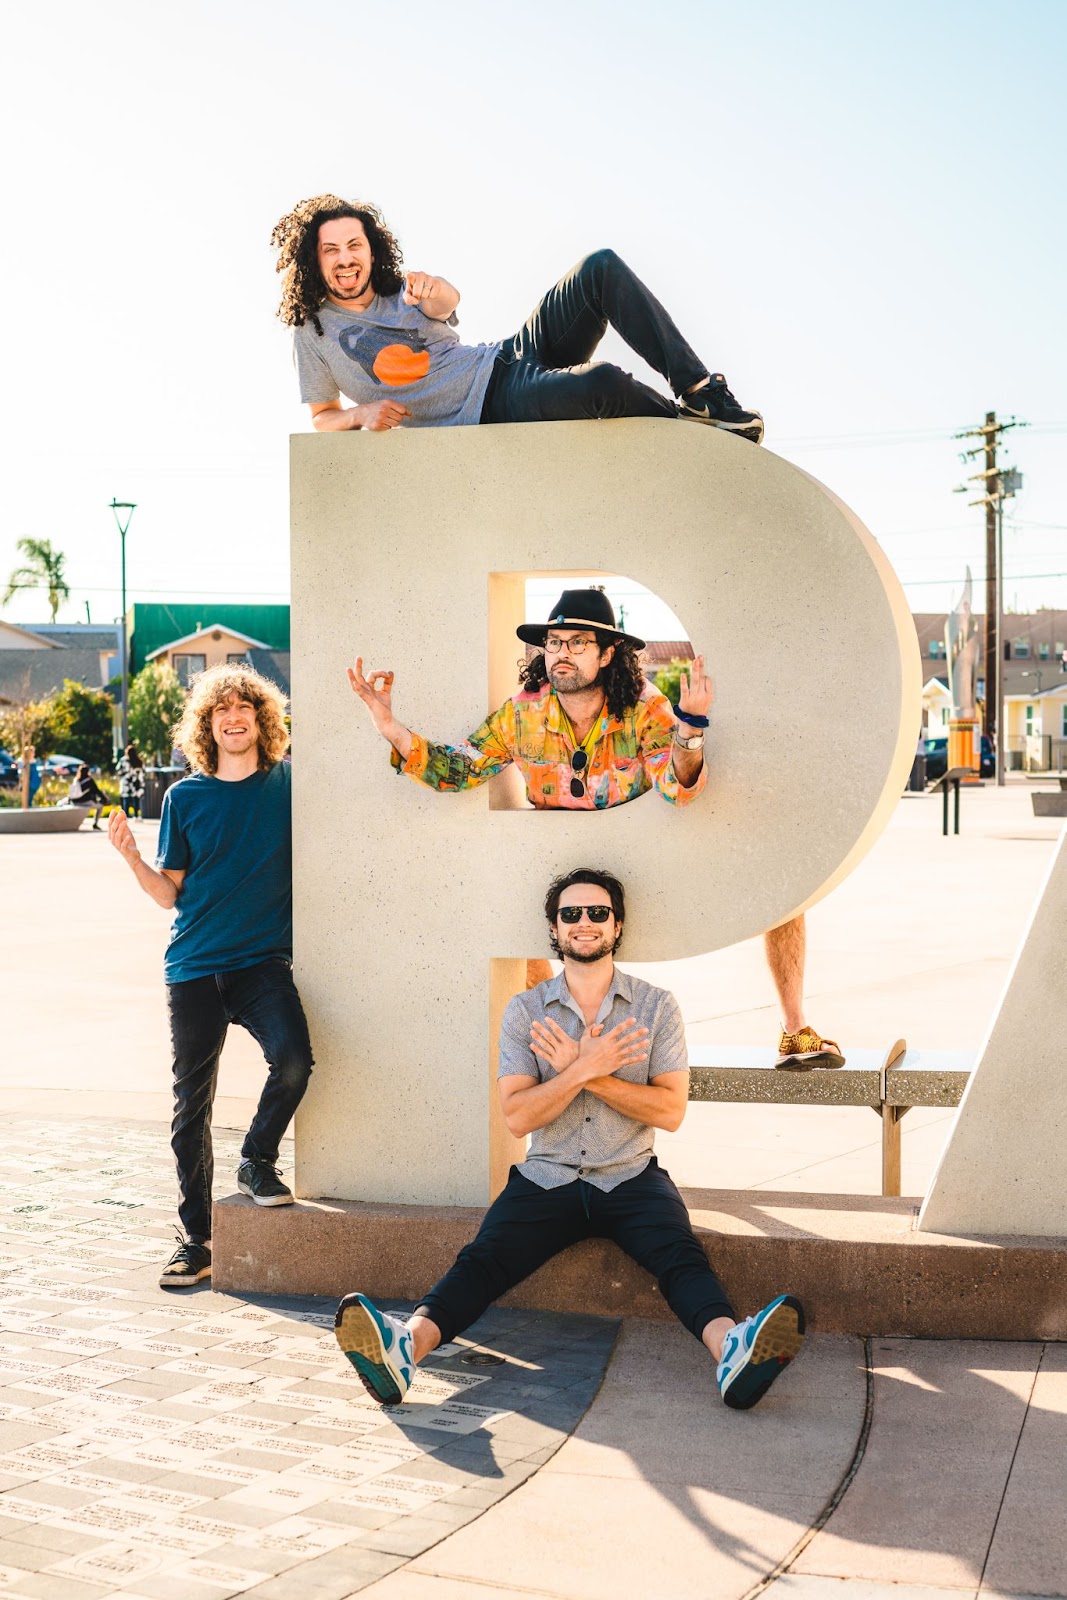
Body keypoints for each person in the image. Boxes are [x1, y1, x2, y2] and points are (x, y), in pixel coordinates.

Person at [334, 868, 805, 1413]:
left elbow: (671, 1111)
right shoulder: (525, 1011)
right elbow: (517, 1117)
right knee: (483, 1260)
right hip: (547, 1174)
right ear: (554, 930)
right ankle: (403, 1349)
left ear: (617, 925)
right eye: (571, 915)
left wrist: (588, 1070)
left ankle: (732, 1351)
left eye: (598, 913)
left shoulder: (656, 1007)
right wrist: (583, 1072)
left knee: (681, 1258)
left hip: (630, 1173)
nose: (585, 923)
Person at [349, 586, 842, 1067]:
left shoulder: (644, 708)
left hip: (647, 865)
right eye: (554, 643)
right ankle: (558, 1052)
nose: (562, 653)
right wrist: (391, 728)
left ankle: (795, 1030)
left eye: (579, 643)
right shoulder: (522, 714)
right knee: (516, 919)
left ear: (608, 655)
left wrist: (690, 730)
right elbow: (461, 769)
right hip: (563, 875)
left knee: (784, 890)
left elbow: (677, 788)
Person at [107, 664, 314, 1288]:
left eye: (243, 709)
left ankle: (256, 1158)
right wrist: (133, 858)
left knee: (296, 1060)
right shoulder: (184, 799)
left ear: (261, 719)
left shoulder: (288, 785)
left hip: (262, 964)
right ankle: (195, 1239)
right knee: (190, 1108)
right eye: (220, 711)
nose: (233, 718)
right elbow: (169, 895)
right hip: (194, 968)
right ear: (208, 725)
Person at [272, 196, 764, 441]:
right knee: (603, 383)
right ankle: (692, 435)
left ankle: (703, 396)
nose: (345, 258)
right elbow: (322, 415)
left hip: (506, 356)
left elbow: (445, 306)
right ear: (314, 260)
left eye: (354, 245)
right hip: (485, 406)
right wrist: (361, 413)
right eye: (330, 249)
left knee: (600, 267)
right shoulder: (312, 331)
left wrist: (437, 289)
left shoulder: (400, 288)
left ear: (370, 249)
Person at [68, 763, 108, 828]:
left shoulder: (76, 780)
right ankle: (95, 823)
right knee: (100, 807)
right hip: (85, 802)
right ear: (88, 771)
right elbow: (97, 791)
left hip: (74, 802)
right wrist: (105, 799)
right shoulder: (89, 780)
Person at [116, 743, 145, 818]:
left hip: (125, 782)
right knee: (136, 799)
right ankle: (136, 815)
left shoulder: (123, 760)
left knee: (126, 799)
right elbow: (143, 771)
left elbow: (118, 770)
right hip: (135, 783)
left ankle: (125, 815)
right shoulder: (139, 761)